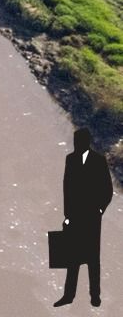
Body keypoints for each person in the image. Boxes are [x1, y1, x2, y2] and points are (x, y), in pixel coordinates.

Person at [61, 127, 114, 307]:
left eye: (79, 141)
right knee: (72, 257)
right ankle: (69, 295)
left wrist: (100, 210)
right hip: (75, 215)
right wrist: (67, 215)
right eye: (75, 141)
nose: (76, 144)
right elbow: (66, 189)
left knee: (93, 258)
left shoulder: (99, 161)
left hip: (92, 216)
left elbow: (107, 189)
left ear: (86, 142)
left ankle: (95, 296)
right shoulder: (71, 159)